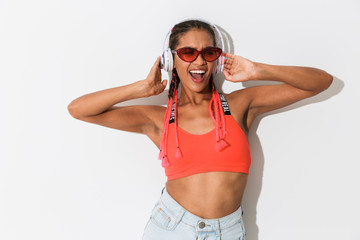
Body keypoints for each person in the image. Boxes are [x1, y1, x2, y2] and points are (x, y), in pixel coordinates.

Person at [67, 19, 333, 240]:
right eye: (187, 52)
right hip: (171, 229)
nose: (199, 61)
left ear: (216, 60)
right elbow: (79, 109)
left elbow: (320, 82)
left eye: (208, 52)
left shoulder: (241, 104)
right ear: (170, 60)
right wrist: (140, 88)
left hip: (228, 231)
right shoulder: (157, 119)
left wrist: (256, 70)